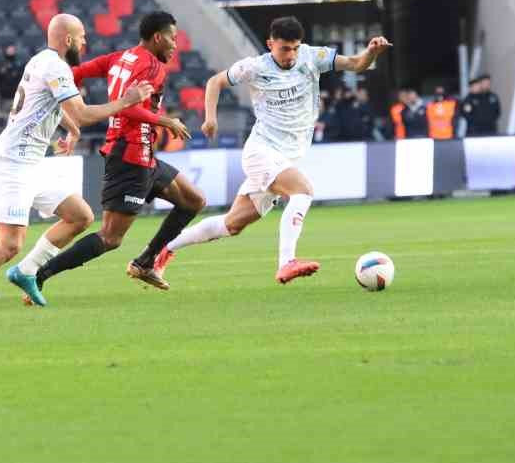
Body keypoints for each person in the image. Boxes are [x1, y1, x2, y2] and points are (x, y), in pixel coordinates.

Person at [0, 14, 153, 310]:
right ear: (69, 40)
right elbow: (84, 112)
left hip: (31, 162)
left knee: (80, 215)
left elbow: (48, 105)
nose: (86, 42)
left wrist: (72, 130)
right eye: (83, 36)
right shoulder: (56, 67)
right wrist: (127, 100)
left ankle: (26, 272)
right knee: (10, 244)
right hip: (13, 163)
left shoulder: (40, 61)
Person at [150, 20, 389, 286]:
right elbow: (215, 82)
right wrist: (210, 118)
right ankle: (286, 262)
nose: (292, 55)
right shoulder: (255, 66)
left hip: (285, 156)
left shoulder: (312, 57)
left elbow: (356, 64)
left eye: (296, 48)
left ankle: (162, 251)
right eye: (286, 49)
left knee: (232, 225)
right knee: (303, 191)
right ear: (270, 44)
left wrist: (371, 53)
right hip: (262, 151)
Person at [25, 12, 207, 294]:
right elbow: (125, 105)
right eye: (172, 38)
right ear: (157, 37)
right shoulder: (151, 66)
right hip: (130, 156)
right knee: (110, 237)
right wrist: (166, 120)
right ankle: (39, 275)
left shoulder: (122, 57)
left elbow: (75, 73)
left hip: (142, 154)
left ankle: (145, 262)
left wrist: (48, 86)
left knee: (193, 201)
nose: (175, 45)